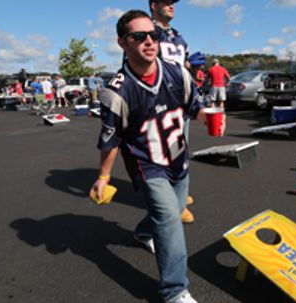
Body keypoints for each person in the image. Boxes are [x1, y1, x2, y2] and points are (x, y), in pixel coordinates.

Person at [90, 10, 222, 303]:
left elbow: (194, 106)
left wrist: (207, 117)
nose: (149, 42)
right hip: (148, 165)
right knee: (170, 220)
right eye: (139, 37)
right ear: (123, 43)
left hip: (178, 159)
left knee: (170, 213)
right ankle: (174, 290)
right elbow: (111, 140)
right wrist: (103, 177)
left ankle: (142, 232)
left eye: (154, 35)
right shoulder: (118, 92)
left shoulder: (177, 74)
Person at [149, 0, 196, 223]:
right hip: (159, 105)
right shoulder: (146, 32)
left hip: (181, 103)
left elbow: (184, 64)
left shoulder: (179, 35)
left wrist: (192, 65)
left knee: (181, 152)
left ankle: (179, 196)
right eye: (166, 2)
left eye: (173, 2)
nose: (172, 5)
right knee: (163, 157)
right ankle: (172, 206)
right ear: (153, 5)